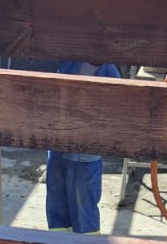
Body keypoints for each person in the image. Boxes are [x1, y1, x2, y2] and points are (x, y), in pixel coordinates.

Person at [45, 60, 121, 234]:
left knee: (83, 204)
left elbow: (114, 112)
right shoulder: (68, 63)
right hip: (59, 147)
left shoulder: (108, 71)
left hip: (86, 153)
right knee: (57, 199)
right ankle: (57, 242)